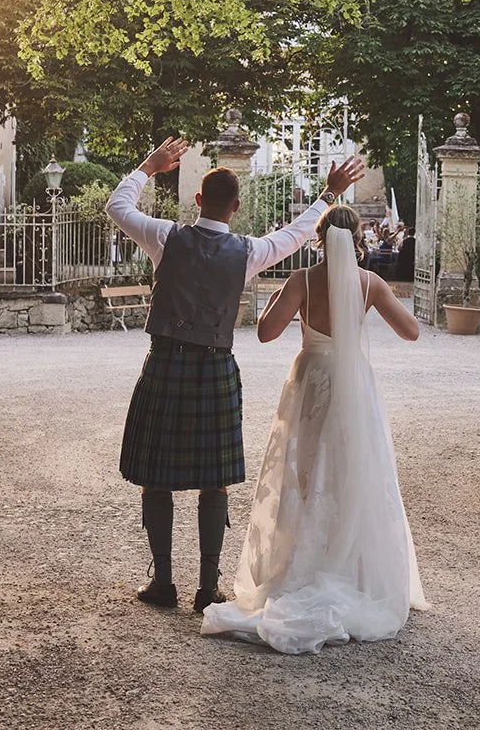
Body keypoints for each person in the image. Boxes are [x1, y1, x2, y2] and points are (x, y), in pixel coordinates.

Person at [106, 137, 367, 613]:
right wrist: (329, 193)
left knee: (155, 476)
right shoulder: (249, 251)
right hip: (215, 368)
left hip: (164, 363)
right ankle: (208, 588)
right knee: (215, 478)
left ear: (198, 200)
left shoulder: (165, 237)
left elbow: (117, 206)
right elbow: (298, 233)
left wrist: (149, 166)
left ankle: (163, 583)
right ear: (237, 207)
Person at [201, 204, 427, 654]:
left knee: (304, 474)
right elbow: (412, 331)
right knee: (352, 470)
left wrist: (281, 301)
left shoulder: (301, 280)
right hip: (352, 384)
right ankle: (350, 568)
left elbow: (266, 332)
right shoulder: (369, 283)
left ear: (318, 240)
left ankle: (300, 563)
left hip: (310, 383)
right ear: (357, 238)